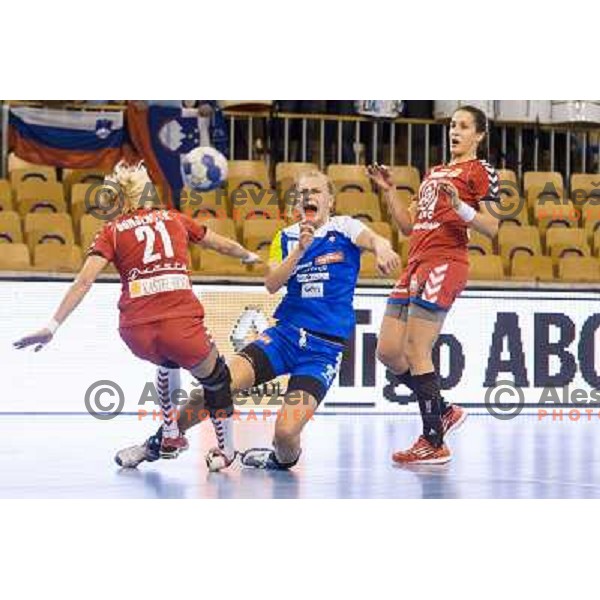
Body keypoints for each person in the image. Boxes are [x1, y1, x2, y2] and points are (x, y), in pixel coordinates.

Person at [115, 169, 400, 470]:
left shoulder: (344, 227)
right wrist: (300, 251)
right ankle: (157, 443)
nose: (308, 198)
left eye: (315, 192)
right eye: (302, 193)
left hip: (322, 350)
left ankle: (277, 459)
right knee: (217, 386)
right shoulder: (286, 237)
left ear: (330, 200)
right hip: (284, 336)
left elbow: (376, 240)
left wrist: (384, 250)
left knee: (286, 435)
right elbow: (272, 283)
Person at [13, 161, 260, 464]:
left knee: (166, 360)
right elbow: (222, 245)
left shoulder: (112, 230)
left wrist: (52, 326)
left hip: (135, 331)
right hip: (180, 324)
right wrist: (250, 256)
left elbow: (84, 280)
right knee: (217, 379)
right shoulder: (174, 218)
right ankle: (227, 452)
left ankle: (170, 432)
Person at [368, 105, 500, 465]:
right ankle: (443, 410)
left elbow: (492, 227)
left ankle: (433, 441)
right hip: (415, 263)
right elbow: (407, 226)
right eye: (452, 125)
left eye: (463, 126)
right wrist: (390, 190)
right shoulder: (435, 172)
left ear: (479, 135)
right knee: (387, 351)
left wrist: (461, 208)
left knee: (415, 349)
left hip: (445, 261)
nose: (454, 131)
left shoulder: (480, 170)